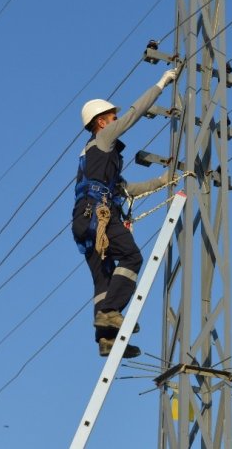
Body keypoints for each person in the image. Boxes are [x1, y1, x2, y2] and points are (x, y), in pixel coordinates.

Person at [72, 68, 177, 358]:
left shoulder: (94, 159)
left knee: (103, 279)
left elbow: (126, 189)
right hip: (99, 215)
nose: (117, 121)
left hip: (83, 220)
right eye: (112, 118)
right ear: (101, 122)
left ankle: (105, 338)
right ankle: (108, 312)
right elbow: (135, 112)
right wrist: (161, 83)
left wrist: (164, 179)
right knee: (131, 256)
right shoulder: (103, 139)